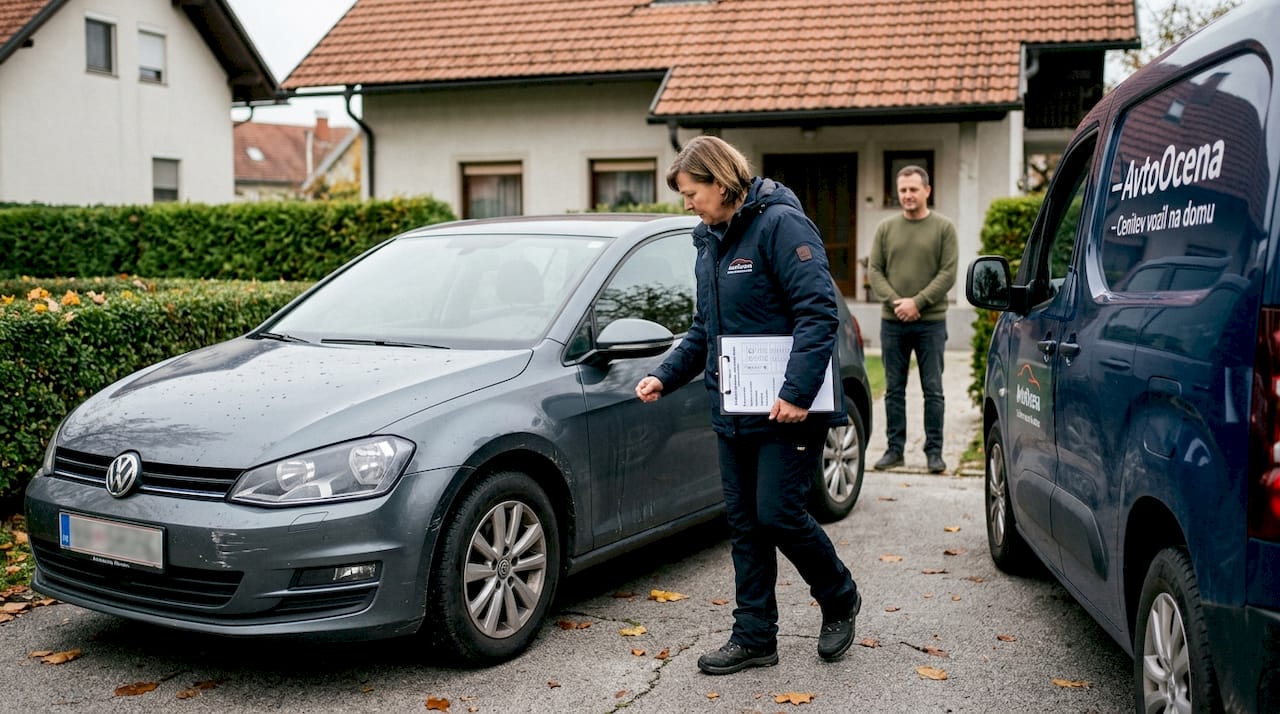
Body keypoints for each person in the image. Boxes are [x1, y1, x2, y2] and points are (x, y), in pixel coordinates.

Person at [634, 136, 860, 675]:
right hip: (733, 409)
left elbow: (817, 312)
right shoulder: (707, 241)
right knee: (746, 525)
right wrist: (663, 376)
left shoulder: (781, 225)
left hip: (789, 409)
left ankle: (839, 598)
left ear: (720, 181)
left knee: (778, 513)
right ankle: (755, 635)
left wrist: (795, 393)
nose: (687, 203)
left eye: (692, 192)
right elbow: (702, 330)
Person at [867, 165, 958, 474]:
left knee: (932, 389)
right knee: (894, 389)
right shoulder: (885, 228)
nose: (907, 195)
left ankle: (934, 452)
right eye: (902, 190)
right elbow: (874, 270)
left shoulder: (944, 228)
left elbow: (948, 273)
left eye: (913, 189)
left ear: (927, 191)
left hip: (931, 321)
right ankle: (894, 450)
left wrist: (917, 302)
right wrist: (898, 303)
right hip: (892, 322)